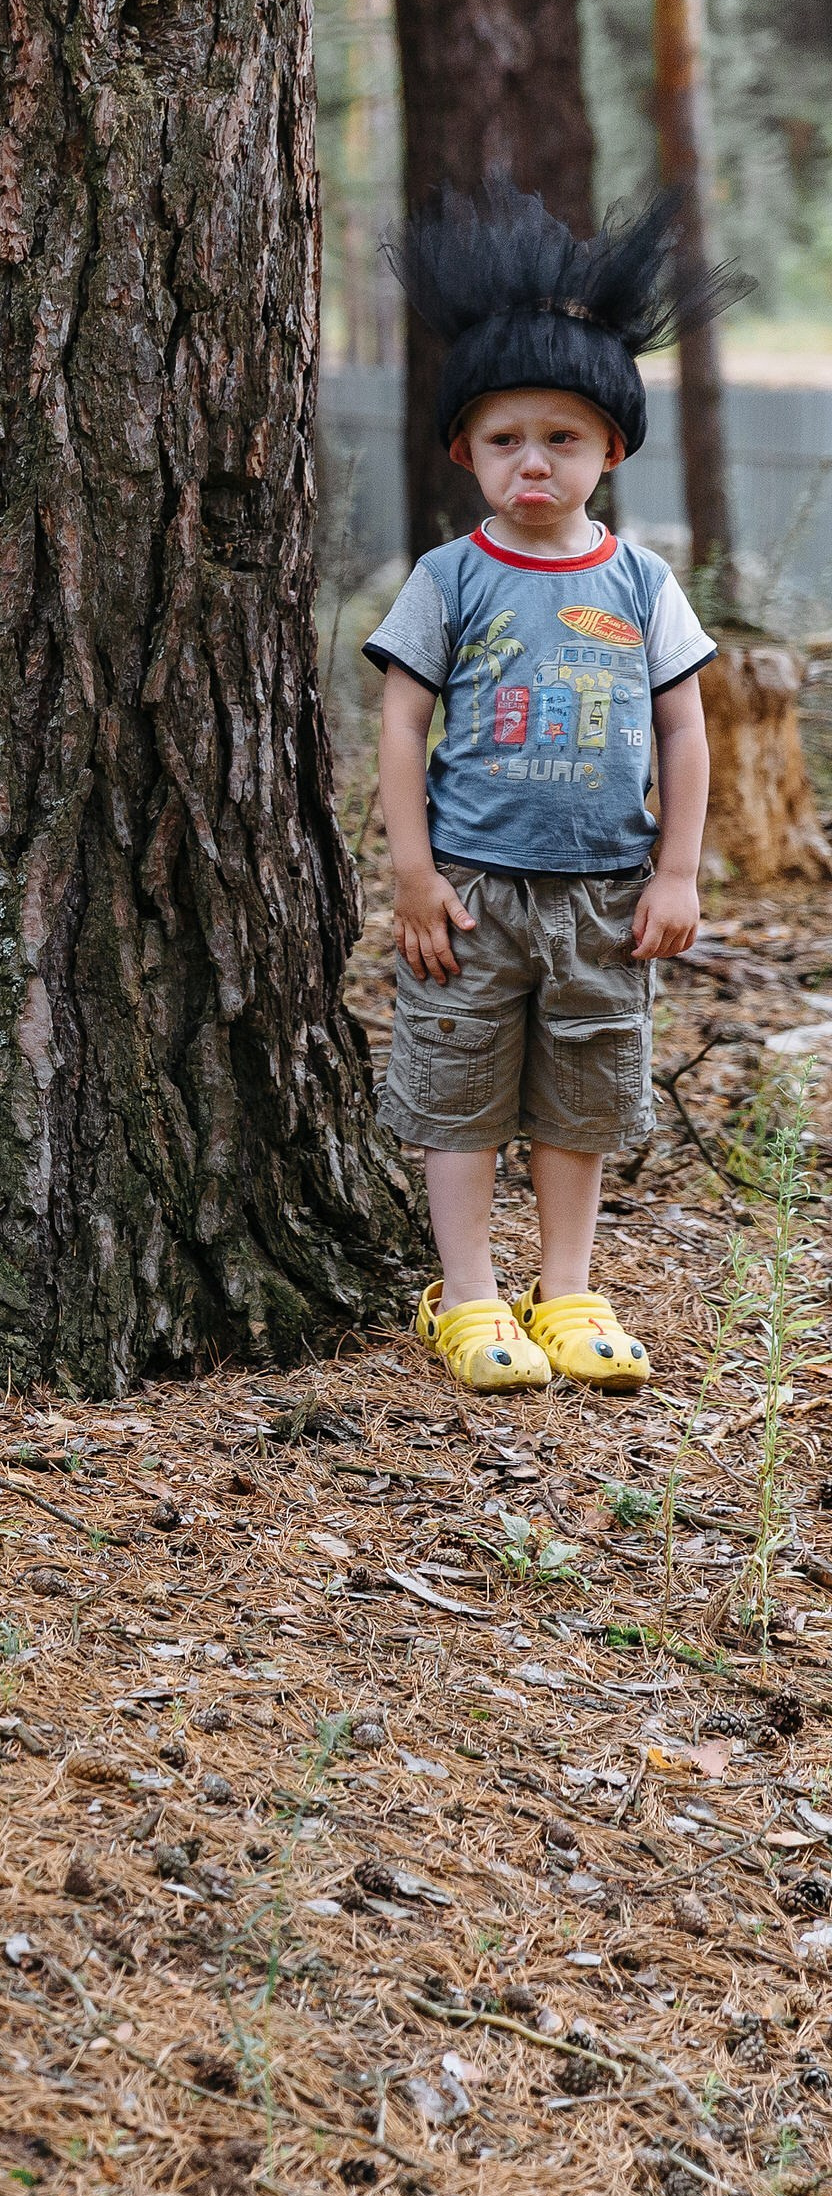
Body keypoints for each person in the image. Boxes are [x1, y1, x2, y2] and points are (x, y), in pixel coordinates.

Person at [364, 175, 749, 1394]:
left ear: (609, 449)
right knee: (459, 1090)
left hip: (604, 897)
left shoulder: (640, 582)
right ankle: (468, 1298)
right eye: (502, 439)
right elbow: (398, 720)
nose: (532, 462)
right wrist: (413, 875)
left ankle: (568, 1287)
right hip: (471, 896)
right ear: (462, 451)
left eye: (561, 438)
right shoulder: (447, 575)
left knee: (579, 1098)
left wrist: (677, 868)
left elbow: (684, 730)